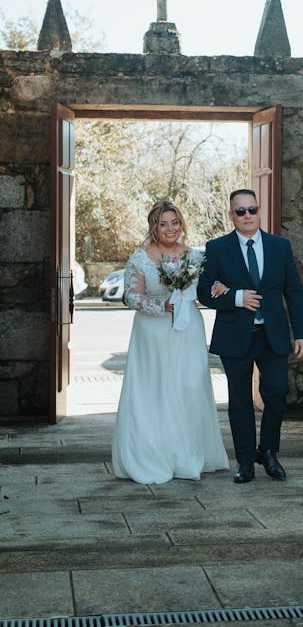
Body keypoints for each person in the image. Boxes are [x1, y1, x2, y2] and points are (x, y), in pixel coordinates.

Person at [112, 199, 229, 484]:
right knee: (155, 391)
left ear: (181, 225)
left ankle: (188, 455)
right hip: (152, 334)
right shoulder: (141, 257)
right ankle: (155, 455)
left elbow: (207, 288)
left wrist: (221, 286)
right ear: (154, 227)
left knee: (188, 387)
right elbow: (131, 296)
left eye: (175, 223)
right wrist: (161, 305)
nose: (170, 228)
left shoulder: (195, 256)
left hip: (187, 330)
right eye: (163, 224)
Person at [197, 189, 303, 484]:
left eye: (252, 209)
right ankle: (245, 460)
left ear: (259, 212)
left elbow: (294, 292)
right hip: (235, 337)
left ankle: (269, 452)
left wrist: (301, 333)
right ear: (231, 215)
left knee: (276, 394)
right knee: (240, 401)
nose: (247, 216)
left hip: (273, 335)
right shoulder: (217, 248)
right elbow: (203, 291)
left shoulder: (280, 247)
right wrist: (236, 297)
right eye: (240, 211)